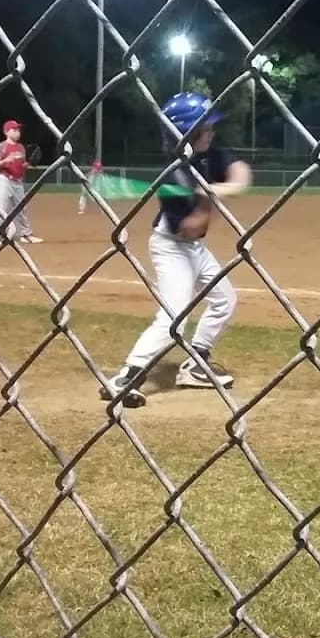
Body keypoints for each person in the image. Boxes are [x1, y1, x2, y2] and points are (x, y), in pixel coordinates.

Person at [100, 92, 251, 406]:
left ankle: (195, 364)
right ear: (187, 132)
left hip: (193, 248)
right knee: (174, 317)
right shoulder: (175, 175)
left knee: (225, 300)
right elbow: (192, 226)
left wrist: (214, 188)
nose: (211, 132)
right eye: (205, 128)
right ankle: (126, 377)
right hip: (171, 247)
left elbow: (241, 175)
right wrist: (207, 200)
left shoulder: (212, 154)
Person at [0, 120, 43, 247]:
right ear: (7, 132)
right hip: (5, 180)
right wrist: (6, 160)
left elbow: (21, 166)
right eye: (15, 130)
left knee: (22, 208)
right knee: (0, 207)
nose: (18, 132)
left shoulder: (21, 148)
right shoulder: (1, 147)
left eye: (19, 130)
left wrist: (27, 164)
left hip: (18, 182)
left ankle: (26, 235)